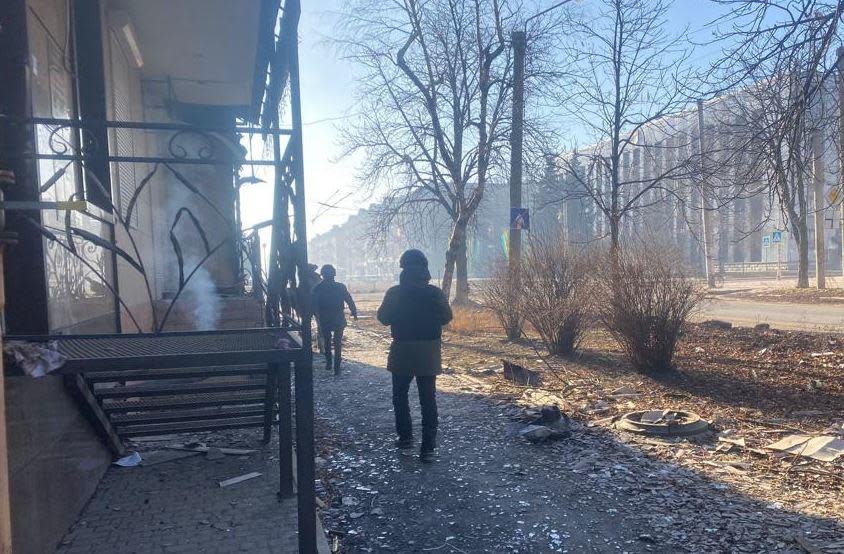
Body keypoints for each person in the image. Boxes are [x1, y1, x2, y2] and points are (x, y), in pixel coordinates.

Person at [376, 249, 452, 463]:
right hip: (429, 350)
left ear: (403, 269)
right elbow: (447, 317)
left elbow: (383, 318)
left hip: (402, 349)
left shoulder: (394, 292)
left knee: (400, 396)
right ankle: (428, 447)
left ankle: (405, 438)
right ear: (425, 269)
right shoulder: (435, 293)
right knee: (428, 398)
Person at [311, 264, 357, 374]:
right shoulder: (340, 287)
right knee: (337, 343)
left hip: (325, 318)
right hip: (338, 317)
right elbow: (349, 299)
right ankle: (337, 366)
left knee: (327, 341)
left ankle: (329, 363)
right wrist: (354, 312)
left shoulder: (318, 288)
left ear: (322, 275)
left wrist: (312, 315)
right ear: (334, 274)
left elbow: (313, 304)